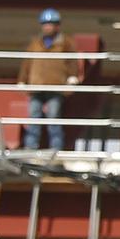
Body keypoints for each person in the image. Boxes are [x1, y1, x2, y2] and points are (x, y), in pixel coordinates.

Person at [19, 8, 79, 152]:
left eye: (50, 24)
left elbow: (72, 62)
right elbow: (27, 62)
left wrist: (72, 77)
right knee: (34, 116)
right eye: (45, 24)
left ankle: (56, 147)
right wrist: (22, 80)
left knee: (53, 117)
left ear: (57, 26)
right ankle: (30, 146)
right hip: (37, 85)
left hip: (55, 85)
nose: (47, 27)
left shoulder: (65, 43)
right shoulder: (35, 43)